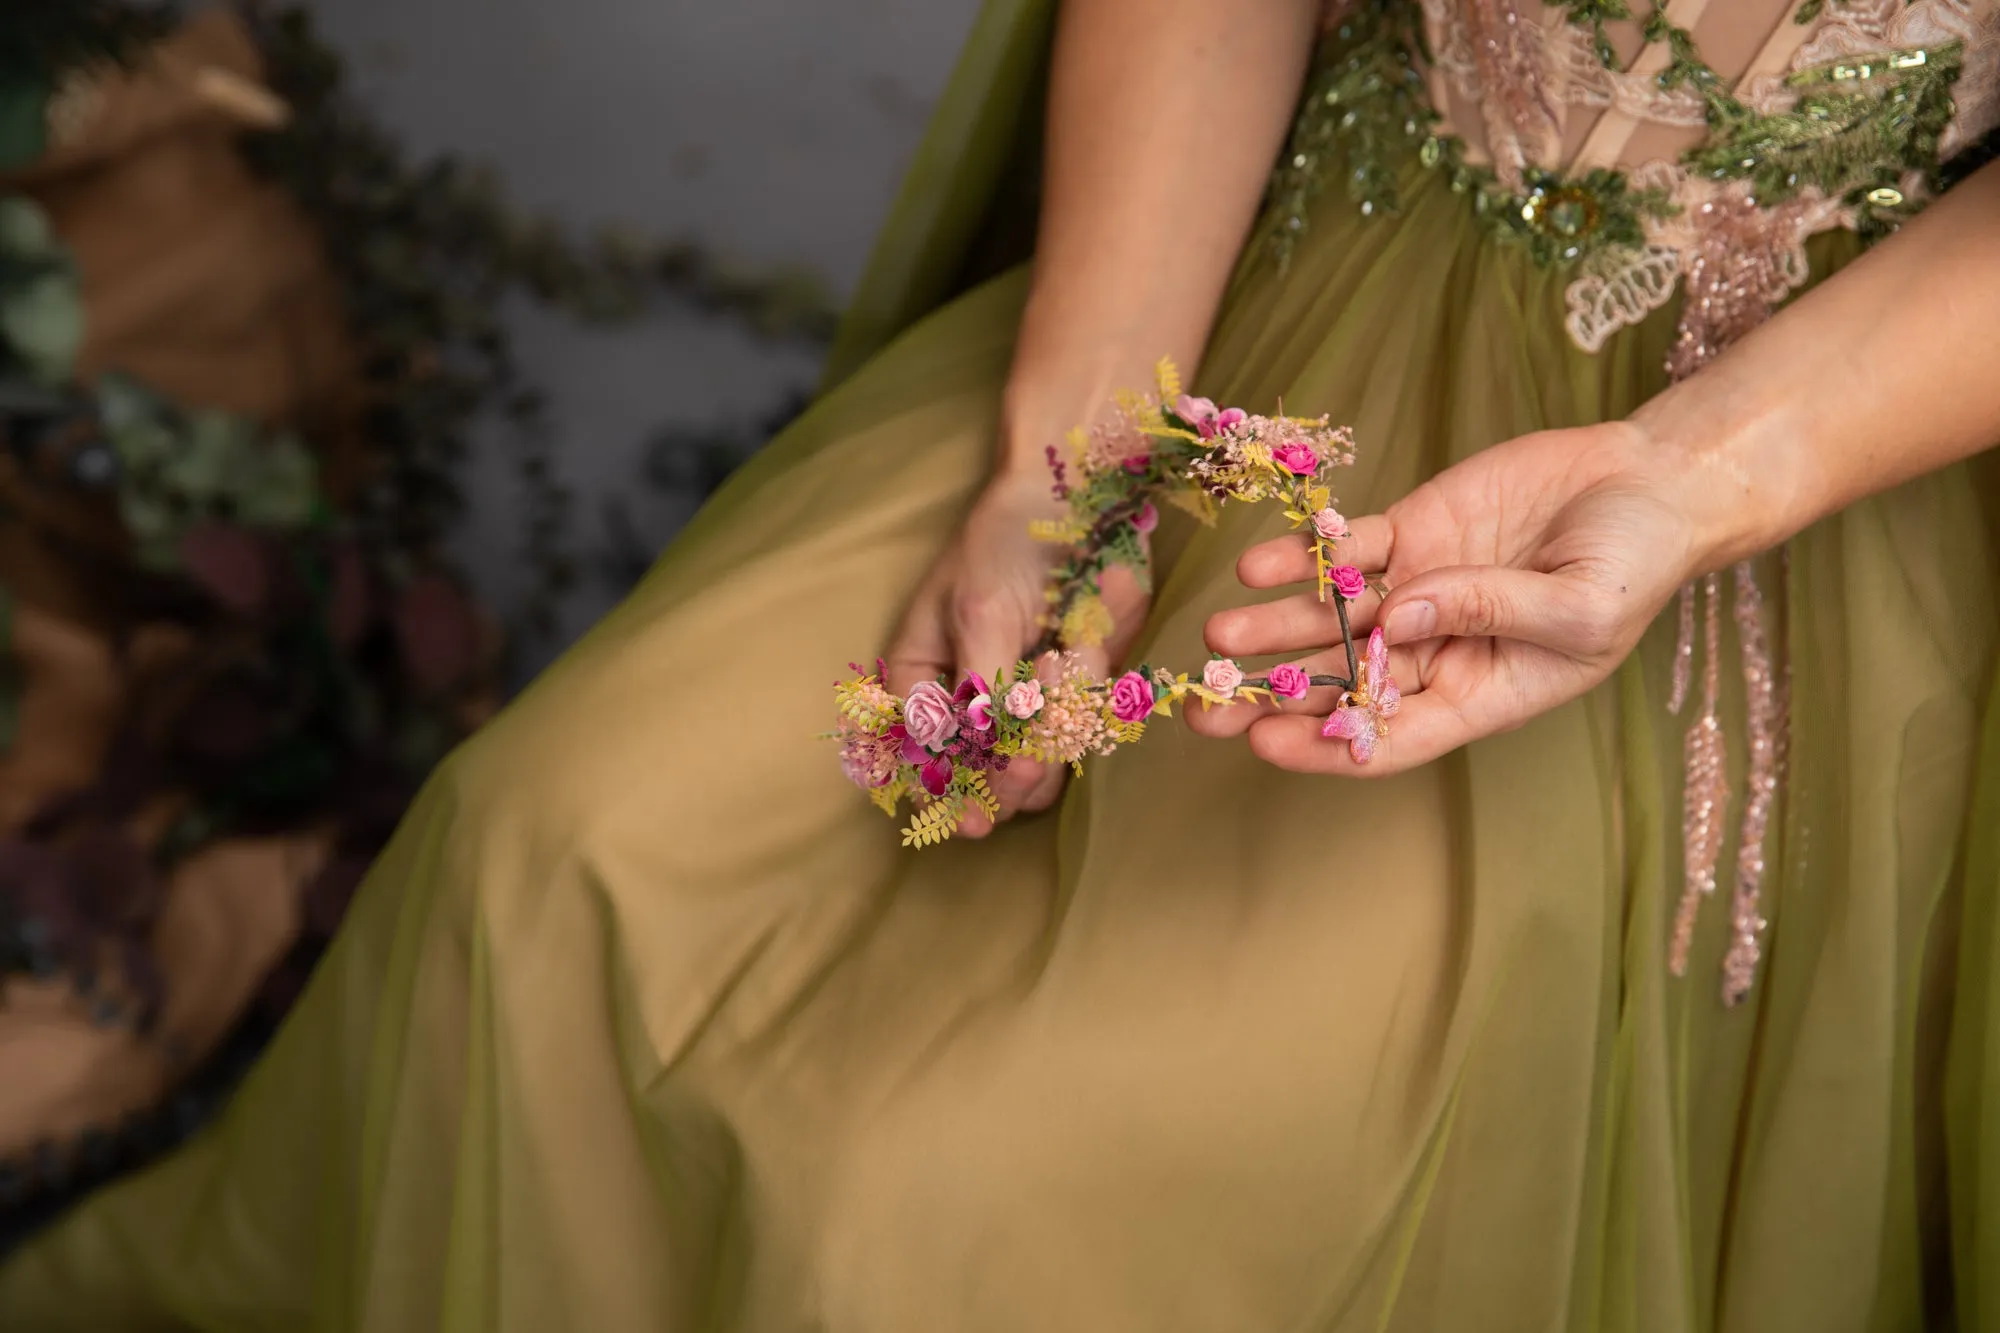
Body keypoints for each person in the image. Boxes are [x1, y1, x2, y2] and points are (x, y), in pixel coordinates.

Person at [4, 0, 1999, 1328]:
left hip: (1774, 470)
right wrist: (1076, 458)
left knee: (967, 1232)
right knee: (551, 863)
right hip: (1241, 299)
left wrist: (1701, 473)